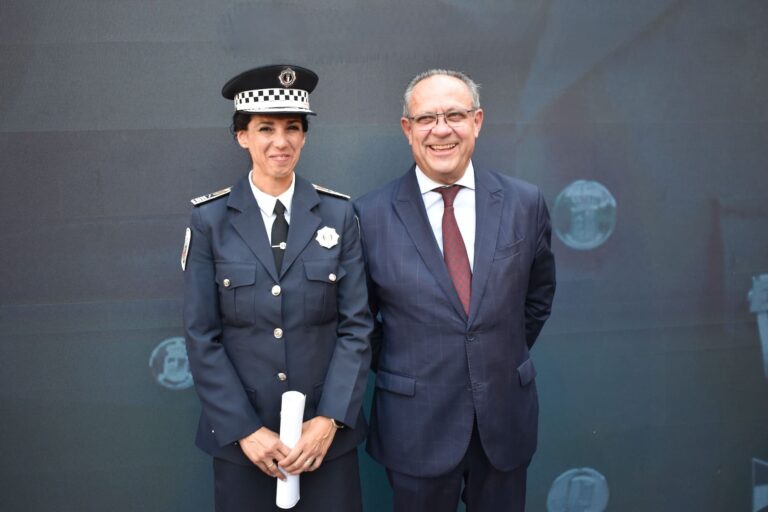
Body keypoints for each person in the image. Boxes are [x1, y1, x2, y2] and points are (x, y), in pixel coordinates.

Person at [354, 69, 556, 511]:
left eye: (455, 115)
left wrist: (493, 354)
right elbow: (359, 322)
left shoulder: (524, 203)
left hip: (504, 421)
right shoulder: (368, 216)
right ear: (407, 129)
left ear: (477, 121)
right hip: (415, 426)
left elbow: (537, 299)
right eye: (426, 118)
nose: (441, 130)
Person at [182, 64, 372, 512]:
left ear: (304, 137)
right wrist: (245, 430)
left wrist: (329, 420)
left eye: (292, 128)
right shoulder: (210, 220)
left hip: (323, 444)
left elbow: (357, 327)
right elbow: (201, 335)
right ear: (242, 136)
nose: (280, 141)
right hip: (244, 445)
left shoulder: (338, 214)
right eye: (265, 128)